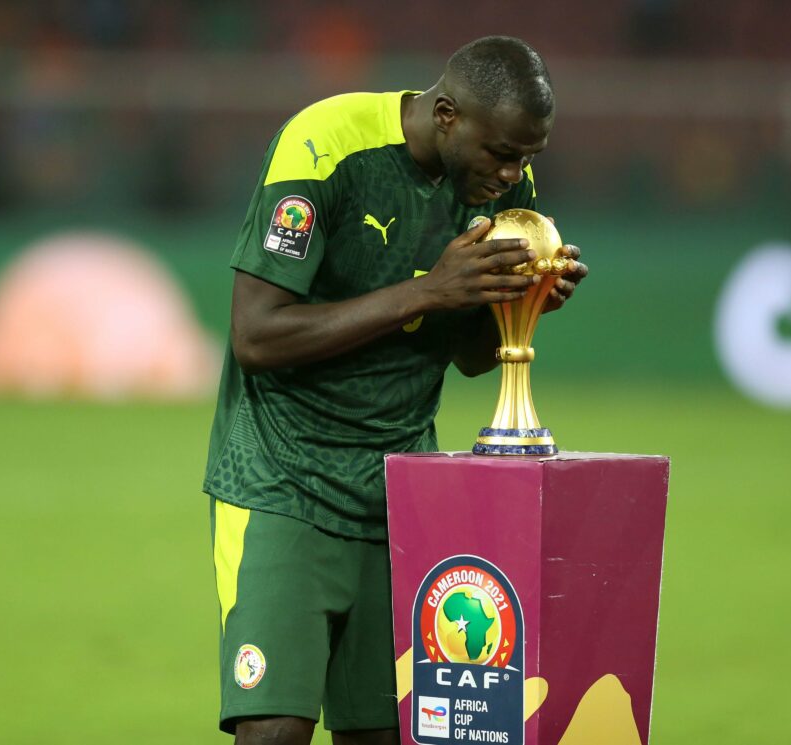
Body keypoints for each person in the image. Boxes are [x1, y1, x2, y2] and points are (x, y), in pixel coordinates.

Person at [203, 36, 588, 745]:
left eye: (528, 157)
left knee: (386, 732)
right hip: (283, 482)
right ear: (447, 115)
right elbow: (257, 336)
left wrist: (521, 309)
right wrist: (427, 290)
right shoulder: (326, 146)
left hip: (400, 493)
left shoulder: (501, 190)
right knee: (273, 729)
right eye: (502, 153)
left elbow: (470, 356)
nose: (514, 175)